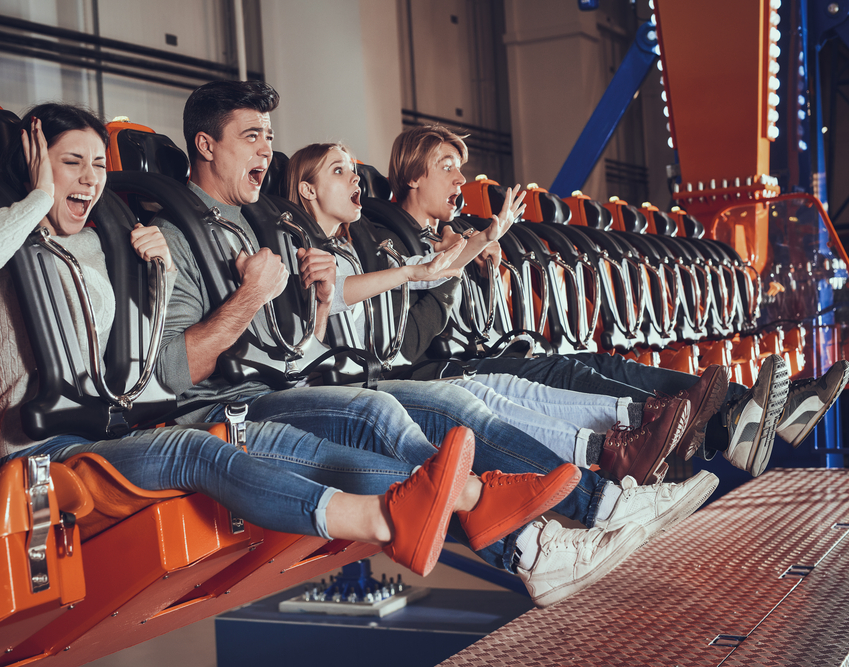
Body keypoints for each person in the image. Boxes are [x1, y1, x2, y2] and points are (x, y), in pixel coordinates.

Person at [152, 79, 720, 606]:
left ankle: (570, 518)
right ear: (205, 144)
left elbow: (307, 338)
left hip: (302, 383)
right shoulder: (179, 235)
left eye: (269, 140)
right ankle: (573, 518)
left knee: (448, 409)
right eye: (252, 138)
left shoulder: (266, 227)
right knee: (404, 418)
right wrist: (257, 294)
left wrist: (325, 298)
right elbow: (183, 370)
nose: (264, 153)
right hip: (243, 402)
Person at [0, 101, 565, 578]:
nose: (89, 180)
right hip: (45, 450)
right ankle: (434, 508)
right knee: (202, 452)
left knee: (369, 439)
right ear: (37, 165)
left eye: (98, 165)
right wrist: (37, 196)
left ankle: (468, 498)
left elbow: (140, 361)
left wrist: (157, 274)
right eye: (71, 163)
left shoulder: (108, 243)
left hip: (120, 427)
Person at [378, 123, 849, 478]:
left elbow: (478, 295)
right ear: (413, 176)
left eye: (462, 169)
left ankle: (750, 409)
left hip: (492, 352)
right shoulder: (385, 243)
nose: (460, 180)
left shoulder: (451, 233)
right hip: (447, 373)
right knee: (575, 373)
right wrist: (455, 266)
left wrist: (477, 251)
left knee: (606, 365)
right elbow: (404, 345)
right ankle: (730, 426)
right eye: (447, 168)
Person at [286, 141, 693, 485]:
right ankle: (610, 467)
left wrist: (485, 237)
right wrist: (419, 268)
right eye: (339, 171)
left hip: (397, 369)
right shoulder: (307, 251)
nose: (354, 176)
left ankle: (636, 424)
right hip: (380, 379)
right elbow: (345, 295)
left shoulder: (358, 250)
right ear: (307, 189)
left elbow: (429, 272)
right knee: (481, 398)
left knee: (517, 385)